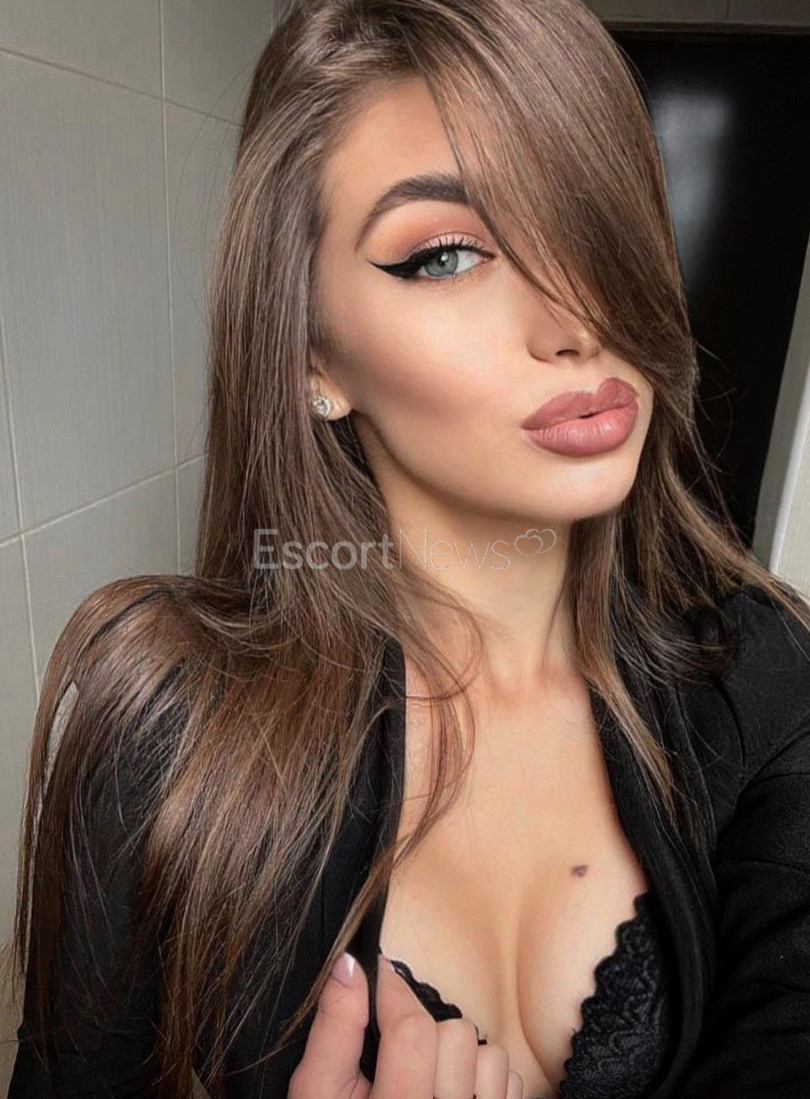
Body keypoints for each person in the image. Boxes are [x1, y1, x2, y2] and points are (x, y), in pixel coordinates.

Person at [5, 0, 810, 1096]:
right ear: (313, 354)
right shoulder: (169, 731)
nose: (575, 319)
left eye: (593, 220)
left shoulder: (762, 678)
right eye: (445, 256)